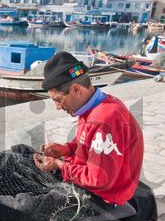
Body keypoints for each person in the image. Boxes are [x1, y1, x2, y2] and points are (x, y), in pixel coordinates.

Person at [33, 51, 144, 208]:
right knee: (22, 152)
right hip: (86, 175)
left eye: (58, 100)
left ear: (76, 90)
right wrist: (65, 149)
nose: (57, 107)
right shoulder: (95, 106)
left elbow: (99, 180)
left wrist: (59, 165)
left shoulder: (106, 119)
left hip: (101, 196)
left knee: (28, 203)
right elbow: (87, 141)